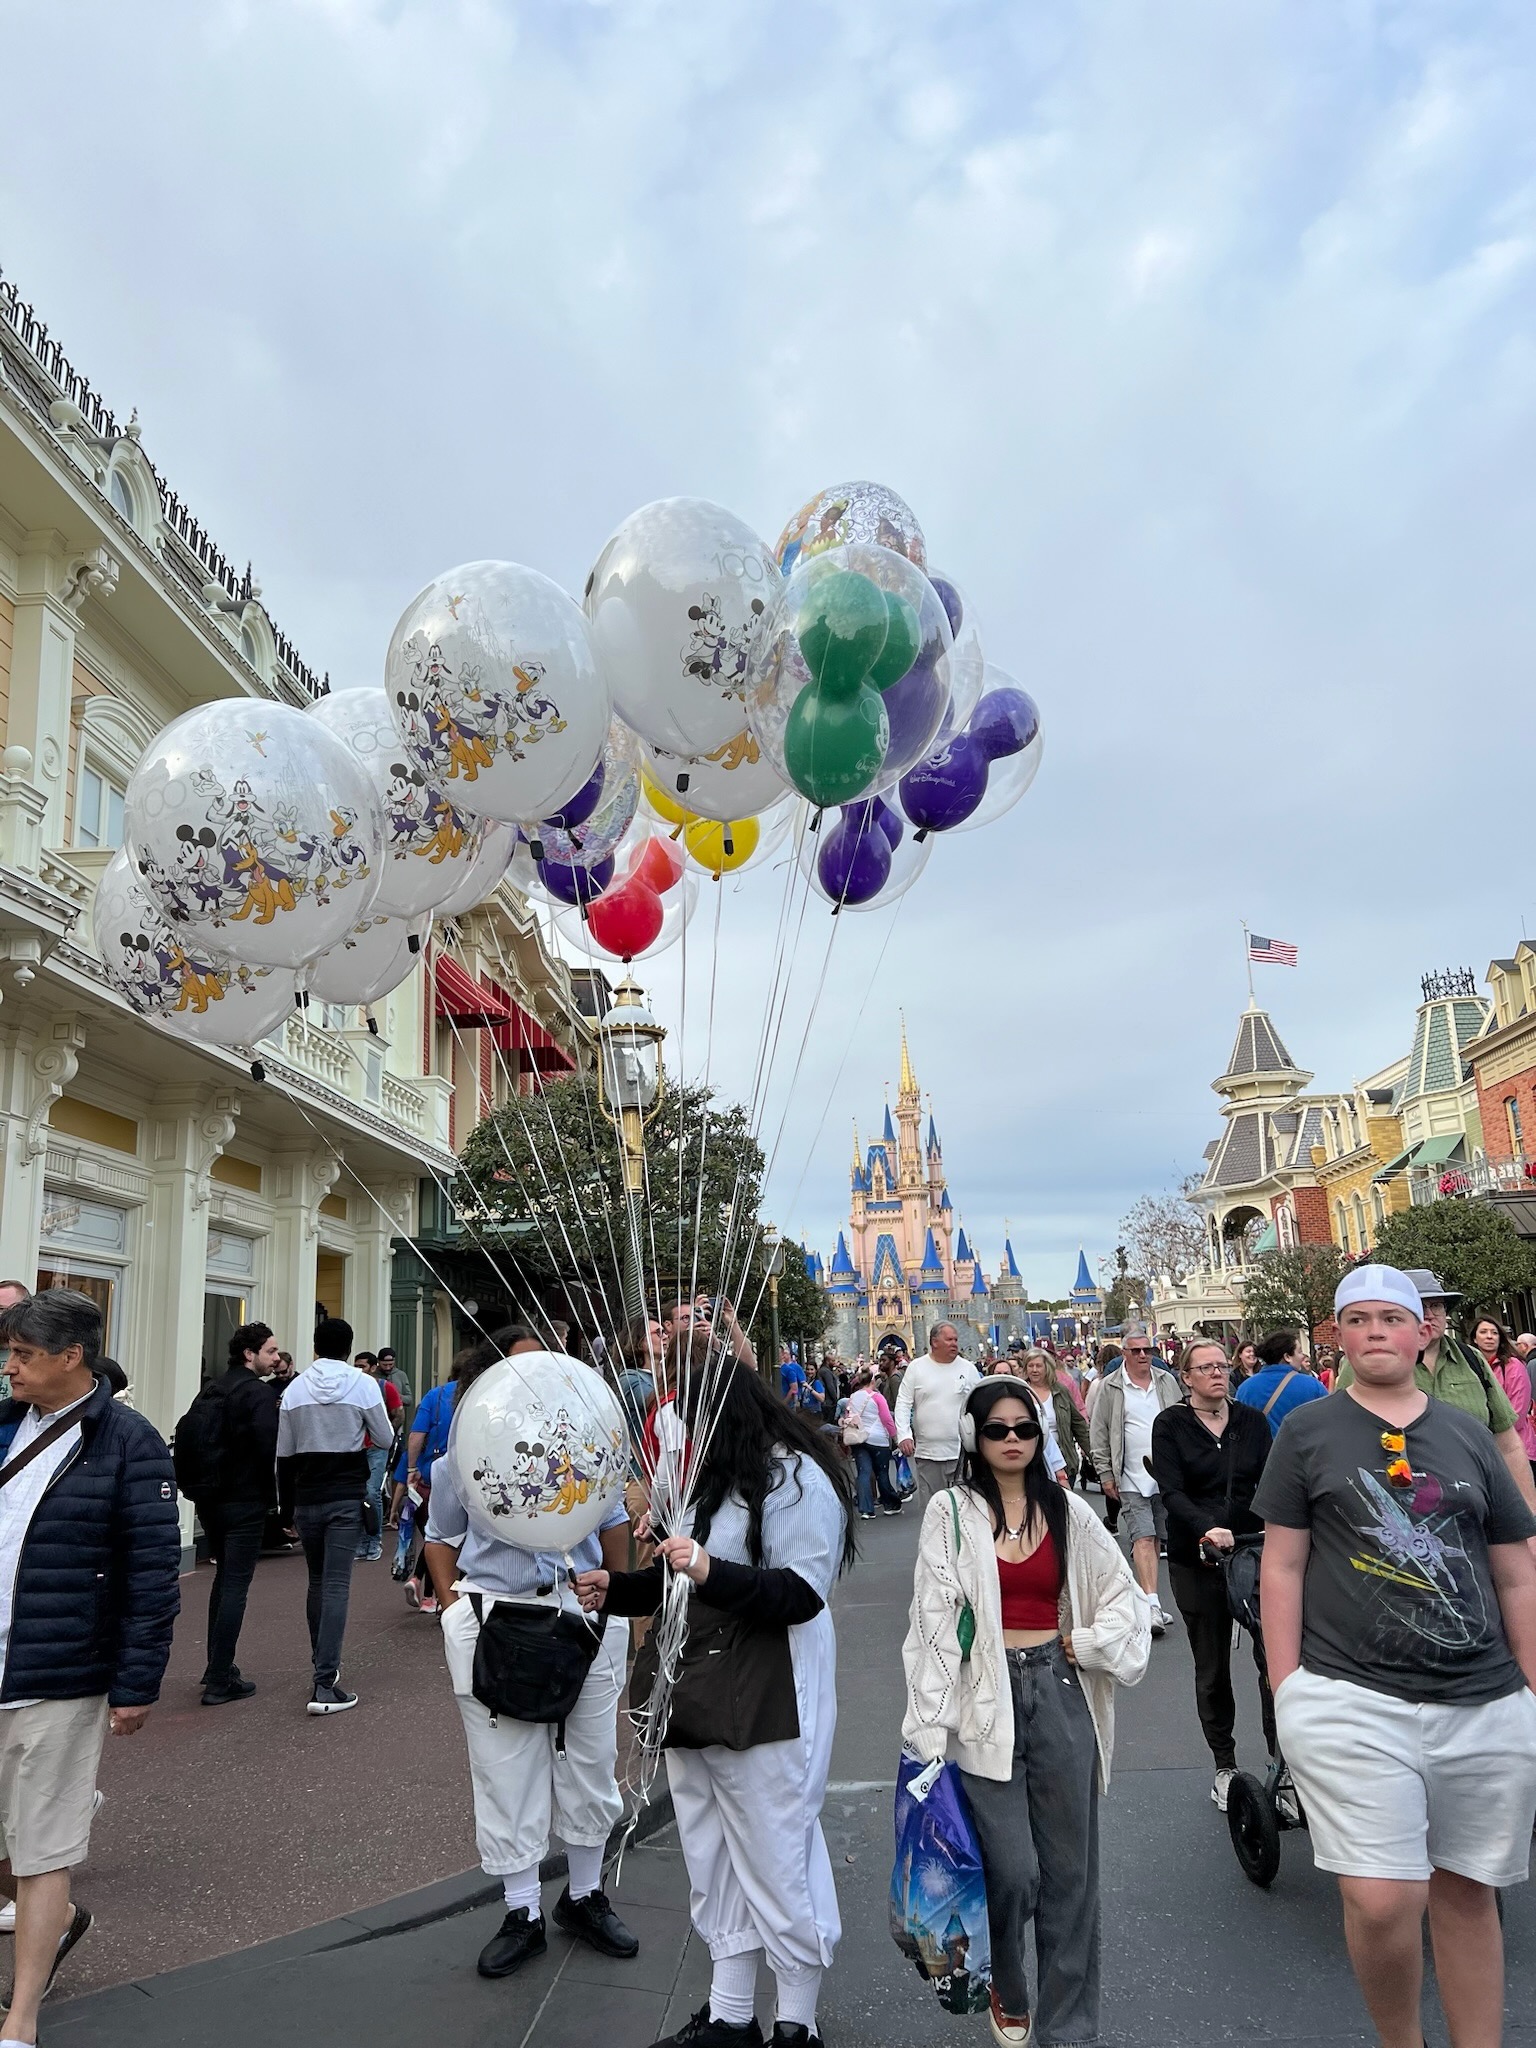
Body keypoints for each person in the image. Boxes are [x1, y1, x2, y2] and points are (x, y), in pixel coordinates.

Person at [1256, 1265, 1536, 2048]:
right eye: (1358, 1318)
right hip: (1353, 1696)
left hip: (1482, 1697)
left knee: (1467, 1890)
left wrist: (1531, 1694)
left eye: (1391, 1317)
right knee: (1383, 1899)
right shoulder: (1308, 1431)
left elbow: (1516, 1568)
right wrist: (1290, 1690)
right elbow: (1281, 1565)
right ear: (1337, 1336)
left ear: (1424, 1331)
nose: (1375, 1330)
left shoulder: (1467, 1434)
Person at [576, 1334, 853, 2048]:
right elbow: (682, 1577)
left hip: (768, 1692)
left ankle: (798, 2021)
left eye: (697, 1421)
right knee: (709, 1846)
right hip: (694, 1684)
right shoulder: (709, 1482)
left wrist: (702, 1566)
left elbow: (800, 1593)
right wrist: (620, 1588)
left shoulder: (796, 1481)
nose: (687, 1436)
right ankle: (731, 2014)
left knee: (774, 1844)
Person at [903, 1377, 1148, 2048]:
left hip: (1060, 1688)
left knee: (1070, 1877)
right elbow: (932, 1619)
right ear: (973, 1439)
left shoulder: (1067, 1509)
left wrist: (1090, 1643)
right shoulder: (950, 1511)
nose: (1012, 1440)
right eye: (997, 1429)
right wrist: (925, 1727)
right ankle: (1007, 1983)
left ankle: (1068, 2030)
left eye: (1025, 1428)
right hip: (983, 1699)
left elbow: (1125, 1596)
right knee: (1012, 1871)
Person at [0, 1290, 180, 2043]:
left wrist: (136, 1685)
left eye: (23, 1356)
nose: (10, 1367)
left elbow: (152, 1573)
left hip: (58, 1674)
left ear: (71, 1357)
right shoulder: (3, 1425)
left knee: (42, 1848)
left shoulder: (129, 1442)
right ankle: (62, 1923)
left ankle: (22, 2016)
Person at [424, 1351, 638, 1986]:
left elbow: (616, 1522)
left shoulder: (590, 1449)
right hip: (498, 1619)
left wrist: (617, 1598)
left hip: (582, 1615)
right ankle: (521, 1911)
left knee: (591, 1761)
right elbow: (440, 1538)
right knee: (505, 1770)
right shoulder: (461, 1460)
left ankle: (584, 1894)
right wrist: (452, 1609)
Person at [1150, 1339, 1273, 1810]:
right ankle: (1225, 1765)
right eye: (1206, 1367)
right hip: (1197, 1557)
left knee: (1273, 1662)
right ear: (1187, 1377)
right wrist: (1206, 1528)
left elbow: (1273, 1478)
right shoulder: (1172, 1425)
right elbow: (1172, 1492)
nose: (1218, 1374)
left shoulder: (1252, 1423)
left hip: (1254, 1550)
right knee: (1213, 1665)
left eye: (1222, 1366)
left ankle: (1282, 1767)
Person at [1334, 1268, 1536, 1516]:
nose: (1430, 1315)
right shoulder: (1367, 1364)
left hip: (1479, 1504)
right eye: (1421, 1305)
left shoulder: (1471, 1359)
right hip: (1400, 1511)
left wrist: (1529, 1514)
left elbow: (1508, 1445)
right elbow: (1342, 1439)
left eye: (1437, 1306)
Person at [276, 1316, 394, 1715]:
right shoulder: (363, 1385)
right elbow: (385, 1437)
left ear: (314, 1347)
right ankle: (325, 1681)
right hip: (346, 1493)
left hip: (307, 1495)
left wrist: (286, 1507)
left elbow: (285, 1454)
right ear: (349, 1347)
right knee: (338, 1585)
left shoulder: (295, 1389)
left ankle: (322, 1664)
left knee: (316, 1581)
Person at [193, 1322, 282, 1705]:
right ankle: (218, 1678)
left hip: (210, 1498)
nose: (277, 1359)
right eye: (271, 1352)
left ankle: (217, 1665)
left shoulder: (211, 1388)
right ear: (250, 1354)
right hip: (244, 1499)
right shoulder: (257, 1395)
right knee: (235, 1586)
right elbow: (270, 1449)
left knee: (223, 1581)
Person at [1088, 1324, 1182, 1639]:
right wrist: (1105, 1473)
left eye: (1148, 1350)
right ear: (1125, 1353)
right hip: (1129, 1474)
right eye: (1136, 1350)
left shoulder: (1167, 1382)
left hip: (1166, 1475)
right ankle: (1152, 1604)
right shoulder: (1111, 1387)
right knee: (1142, 1536)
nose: (1143, 1356)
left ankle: (1147, 1598)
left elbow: (1184, 1421)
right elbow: (1099, 1431)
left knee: (1156, 1536)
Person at [894, 1324, 982, 1510]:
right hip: (929, 1454)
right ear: (934, 1342)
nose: (954, 1344)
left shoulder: (968, 1369)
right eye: (949, 1340)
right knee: (933, 1510)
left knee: (964, 1510)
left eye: (956, 1340)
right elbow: (903, 1402)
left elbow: (980, 1403)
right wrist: (904, 1435)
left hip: (962, 1452)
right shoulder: (917, 1368)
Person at [1470, 1309, 1536, 1480]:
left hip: (1517, 1449)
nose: (1489, 1336)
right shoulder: (1468, 1367)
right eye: (1483, 1332)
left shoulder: (1513, 1366)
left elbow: (1518, 1413)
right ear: (1474, 1339)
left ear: (1500, 1339)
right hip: (1481, 1452)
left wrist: (1489, 1439)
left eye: (1494, 1333)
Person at [1234, 1328, 1328, 1438]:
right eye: (1299, 1351)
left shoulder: (1244, 1388)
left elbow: (1238, 1426)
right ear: (1287, 1357)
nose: (1302, 1356)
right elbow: (1328, 1421)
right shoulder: (1312, 1385)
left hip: (1260, 1453)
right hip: (1303, 1452)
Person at [1021, 1347, 1093, 1487]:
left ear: (1047, 1367)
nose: (1034, 1370)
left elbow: (1078, 1425)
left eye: (1038, 1366)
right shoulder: (1020, 1393)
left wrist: (1093, 1455)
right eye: (1030, 1366)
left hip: (1063, 1459)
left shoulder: (1060, 1391)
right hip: (1030, 1462)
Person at [357, 1354, 402, 1563]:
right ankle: (361, 1542)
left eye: (363, 1366)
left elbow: (398, 1413)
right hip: (356, 1448)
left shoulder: (385, 1387)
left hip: (376, 1448)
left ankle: (374, 1541)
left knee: (371, 1492)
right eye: (355, 1366)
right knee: (359, 1494)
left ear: (373, 1367)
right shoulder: (354, 1387)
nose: (359, 1370)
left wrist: (384, 1435)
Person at [841, 1365, 903, 1518]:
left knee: (863, 1472)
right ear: (873, 1382)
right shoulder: (877, 1397)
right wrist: (895, 1437)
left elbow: (847, 1415)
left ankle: (866, 1509)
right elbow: (887, 1419)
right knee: (882, 1472)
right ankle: (890, 1503)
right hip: (878, 1439)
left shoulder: (853, 1398)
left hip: (859, 1438)